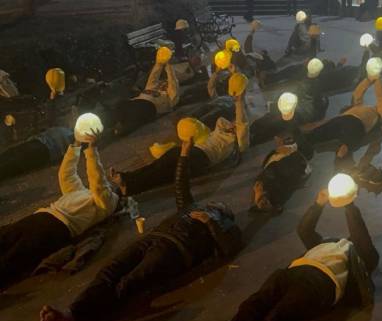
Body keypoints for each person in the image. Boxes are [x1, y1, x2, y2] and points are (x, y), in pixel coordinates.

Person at [39, 139, 243, 321]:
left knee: (128, 283)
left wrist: (211, 222)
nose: (216, 204)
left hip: (174, 250)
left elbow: (229, 248)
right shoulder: (191, 207)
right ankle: (72, 311)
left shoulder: (225, 225)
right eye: (216, 203)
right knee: (109, 271)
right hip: (152, 237)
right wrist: (183, 154)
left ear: (225, 212)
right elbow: (181, 185)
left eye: (221, 205)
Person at [212, 187, 379, 321]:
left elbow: (361, 236)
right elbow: (304, 230)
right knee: (250, 307)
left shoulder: (362, 257)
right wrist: (318, 204)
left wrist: (349, 205)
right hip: (292, 272)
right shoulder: (325, 243)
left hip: (321, 282)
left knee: (275, 320)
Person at [1, 130, 120, 288]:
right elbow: (66, 175)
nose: (113, 177)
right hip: (40, 218)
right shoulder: (83, 193)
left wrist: (91, 150)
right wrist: (75, 146)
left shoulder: (107, 203)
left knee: (11, 258)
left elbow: (98, 181)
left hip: (55, 229)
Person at [110, 76, 249, 197]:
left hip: (201, 158)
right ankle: (127, 179)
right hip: (193, 150)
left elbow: (242, 123)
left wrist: (239, 101)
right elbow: (223, 118)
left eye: (236, 125)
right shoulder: (220, 129)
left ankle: (128, 184)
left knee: (164, 173)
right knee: (159, 165)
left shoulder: (236, 143)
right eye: (233, 123)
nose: (234, 125)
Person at [305, 74, 382, 172]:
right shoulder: (376, 112)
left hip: (342, 119)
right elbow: (378, 97)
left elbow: (361, 93)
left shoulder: (374, 112)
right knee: (348, 144)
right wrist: (373, 79)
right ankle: (340, 161)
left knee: (320, 133)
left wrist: (372, 79)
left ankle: (304, 141)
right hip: (355, 124)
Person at [108, 59, 180, 137]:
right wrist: (160, 62)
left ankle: (121, 129)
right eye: (162, 81)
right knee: (121, 105)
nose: (163, 83)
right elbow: (154, 76)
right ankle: (110, 126)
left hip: (150, 108)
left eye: (166, 83)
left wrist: (168, 67)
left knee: (136, 111)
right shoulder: (152, 87)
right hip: (135, 103)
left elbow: (173, 82)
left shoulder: (170, 96)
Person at [251, 129, 313, 212]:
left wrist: (259, 188)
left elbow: (270, 172)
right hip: (289, 165)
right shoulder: (293, 160)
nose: (276, 140)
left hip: (288, 164)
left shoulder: (286, 158)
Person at [0, 126, 73, 181]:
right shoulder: (68, 135)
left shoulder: (63, 130)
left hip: (39, 146)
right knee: (14, 163)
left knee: (12, 158)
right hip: (43, 150)